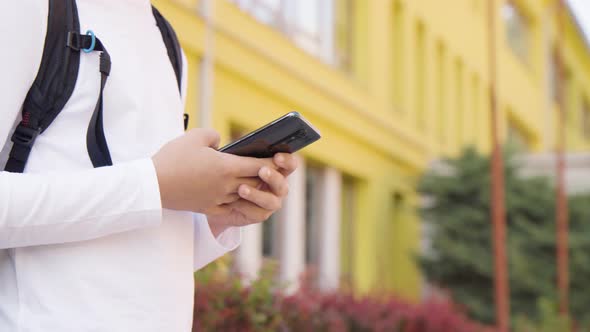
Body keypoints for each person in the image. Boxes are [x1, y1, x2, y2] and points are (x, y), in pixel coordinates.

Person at [0, 1, 297, 331]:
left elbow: (133, 249)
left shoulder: (164, 36)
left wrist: (215, 217)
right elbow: (146, 191)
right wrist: (154, 185)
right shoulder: (25, 8)